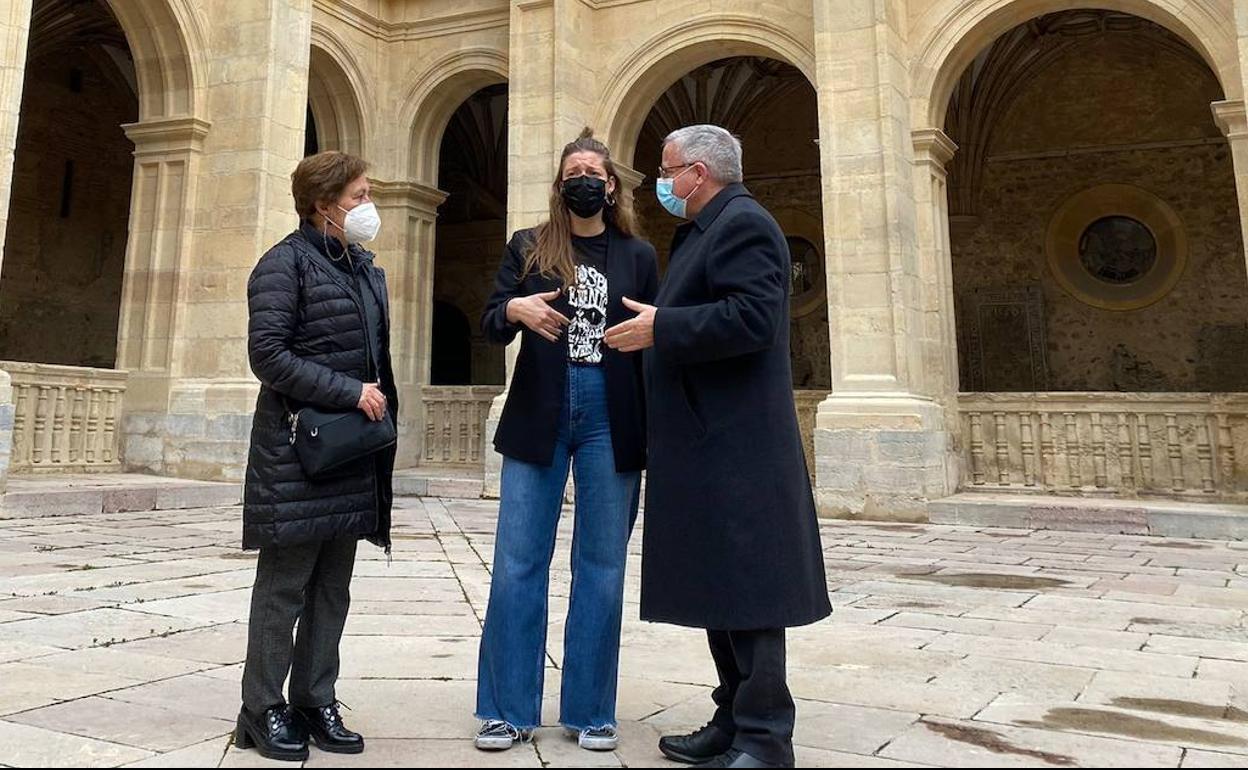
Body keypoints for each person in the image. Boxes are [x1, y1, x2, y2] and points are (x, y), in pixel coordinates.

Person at [605, 124, 831, 769]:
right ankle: (731, 719)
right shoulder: (704, 228)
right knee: (719, 586)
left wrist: (660, 326)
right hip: (705, 443)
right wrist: (660, 324)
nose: (662, 181)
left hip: (738, 446)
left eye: (668, 169)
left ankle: (765, 738)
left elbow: (755, 320)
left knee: (752, 590)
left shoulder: (745, 223)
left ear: (698, 173)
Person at [472, 128, 659, 753]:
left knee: (602, 567)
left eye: (594, 172)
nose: (583, 179)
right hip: (540, 412)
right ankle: (506, 708)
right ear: (560, 186)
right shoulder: (529, 246)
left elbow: (656, 336)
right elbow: (490, 322)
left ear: (611, 186)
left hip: (613, 412)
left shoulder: (637, 254)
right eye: (572, 171)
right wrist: (516, 310)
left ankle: (591, 710)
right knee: (517, 562)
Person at [236, 151, 397, 761]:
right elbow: (269, 356)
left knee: (333, 587)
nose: (368, 206)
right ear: (323, 203)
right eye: (358, 196)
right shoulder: (284, 264)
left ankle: (314, 699)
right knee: (285, 587)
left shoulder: (363, 268)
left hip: (351, 452)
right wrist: (350, 392)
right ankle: (261, 709)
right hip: (297, 452)